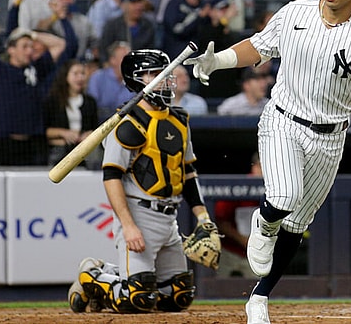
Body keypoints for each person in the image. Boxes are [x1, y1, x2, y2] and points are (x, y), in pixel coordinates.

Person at [183, 0, 351, 324]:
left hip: (331, 136)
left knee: (297, 225)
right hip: (283, 120)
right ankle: (264, 221)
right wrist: (218, 60)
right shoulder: (295, 12)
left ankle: (259, 299)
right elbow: (259, 46)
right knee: (283, 197)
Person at [68, 49, 216, 313]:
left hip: (169, 217)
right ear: (136, 81)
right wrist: (128, 226)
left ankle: (112, 274)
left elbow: (188, 172)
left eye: (165, 73)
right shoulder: (127, 123)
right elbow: (111, 177)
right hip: (139, 213)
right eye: (153, 74)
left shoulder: (179, 120)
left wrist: (203, 216)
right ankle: (91, 275)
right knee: (136, 299)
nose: (164, 79)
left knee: (178, 297)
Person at [0, 0, 67, 166]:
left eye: (31, 46)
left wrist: (30, 34)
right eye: (24, 46)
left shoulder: (36, 69)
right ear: (11, 49)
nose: (30, 50)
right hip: (1, 143)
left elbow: (59, 44)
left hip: (31, 145)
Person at [43, 59, 101, 169]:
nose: (80, 78)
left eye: (83, 74)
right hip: (59, 151)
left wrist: (89, 134)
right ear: (65, 76)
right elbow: (45, 131)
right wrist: (64, 133)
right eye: (75, 74)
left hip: (84, 151)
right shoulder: (53, 101)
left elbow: (96, 128)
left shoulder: (90, 102)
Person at [214, 154, 263, 278]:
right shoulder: (239, 186)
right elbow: (220, 220)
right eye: (262, 167)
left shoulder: (278, 190)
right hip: (230, 248)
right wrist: (244, 240)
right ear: (255, 167)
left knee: (259, 287)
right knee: (217, 284)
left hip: (259, 251)